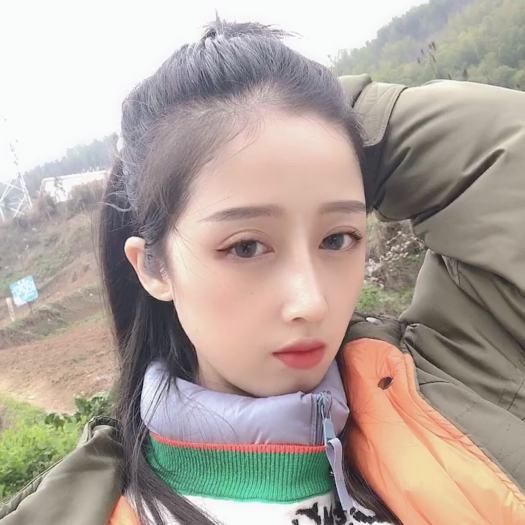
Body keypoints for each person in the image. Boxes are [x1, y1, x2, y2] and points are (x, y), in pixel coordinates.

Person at [1, 18, 524, 525]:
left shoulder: (447, 388)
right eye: (247, 247)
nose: (311, 302)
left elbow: (506, 154)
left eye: (337, 239)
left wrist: (304, 107)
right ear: (154, 267)